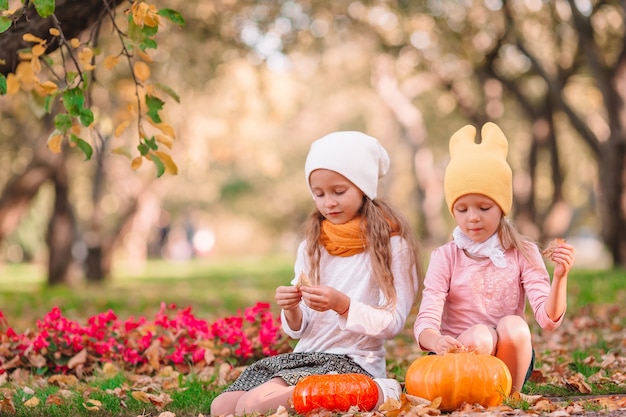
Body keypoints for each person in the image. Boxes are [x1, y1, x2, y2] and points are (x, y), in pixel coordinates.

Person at [210, 131, 423, 416]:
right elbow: (299, 328)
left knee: (252, 406)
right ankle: (336, 393)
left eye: (339, 191)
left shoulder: (393, 246)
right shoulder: (312, 245)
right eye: (319, 194)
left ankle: (378, 390)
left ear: (363, 188)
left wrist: (343, 305)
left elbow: (393, 323)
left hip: (353, 360)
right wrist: (292, 308)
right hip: (307, 355)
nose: (328, 203)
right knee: (221, 407)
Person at [413, 122, 575, 393]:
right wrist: (437, 341)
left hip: (512, 361)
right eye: (462, 209)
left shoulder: (522, 252)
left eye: (484, 207)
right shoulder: (445, 257)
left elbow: (548, 321)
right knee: (482, 335)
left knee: (513, 325)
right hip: (457, 364)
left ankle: (508, 399)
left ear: (501, 206)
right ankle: (476, 394)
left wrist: (560, 277)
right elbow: (425, 322)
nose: (472, 217)